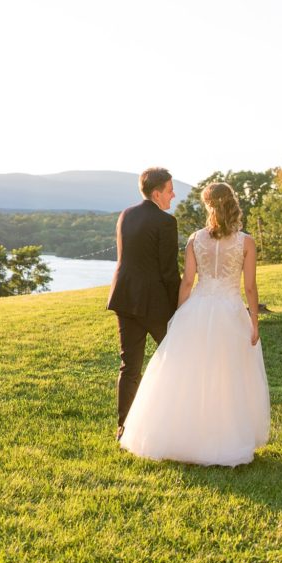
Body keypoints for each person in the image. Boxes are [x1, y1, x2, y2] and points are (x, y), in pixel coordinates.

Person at [119, 181, 270, 466]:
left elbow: (188, 282)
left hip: (198, 308)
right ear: (232, 203)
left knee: (192, 374)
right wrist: (254, 322)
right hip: (229, 310)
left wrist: (179, 317)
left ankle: (183, 436)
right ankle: (224, 437)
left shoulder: (195, 239)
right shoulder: (245, 242)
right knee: (228, 375)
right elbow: (250, 288)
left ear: (209, 206)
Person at [107, 167, 181, 440]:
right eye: (170, 189)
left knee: (129, 367)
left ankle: (123, 428)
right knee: (177, 361)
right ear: (157, 192)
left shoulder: (126, 214)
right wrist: (180, 305)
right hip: (154, 304)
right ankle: (173, 422)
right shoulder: (166, 222)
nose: (174, 194)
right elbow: (169, 272)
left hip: (125, 298)